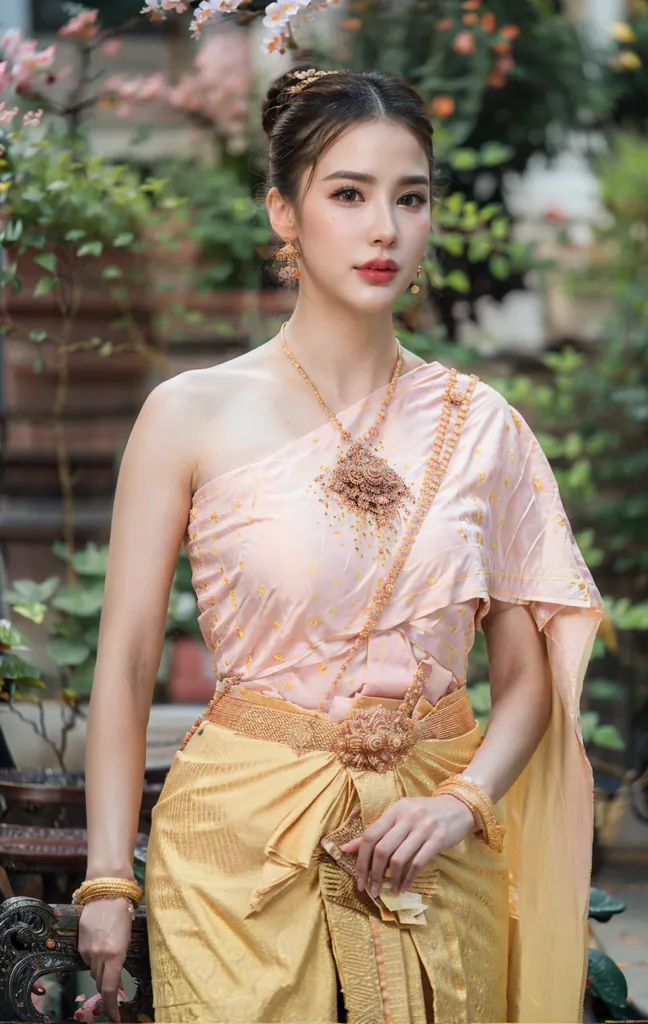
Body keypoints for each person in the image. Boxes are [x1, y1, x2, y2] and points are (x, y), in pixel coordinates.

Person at [77, 66, 603, 1024]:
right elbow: (125, 663)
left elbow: (527, 681)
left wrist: (461, 802)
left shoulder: (482, 428)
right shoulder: (189, 416)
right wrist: (109, 880)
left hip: (434, 852)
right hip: (241, 856)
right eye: (348, 194)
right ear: (284, 212)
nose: (385, 230)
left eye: (411, 199)